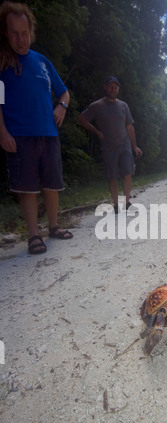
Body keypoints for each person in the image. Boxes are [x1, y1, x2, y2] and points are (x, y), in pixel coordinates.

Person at [0, 1, 73, 255]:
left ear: (31, 30)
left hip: (49, 134)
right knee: (27, 187)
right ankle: (33, 235)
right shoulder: (3, 63)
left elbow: (64, 92)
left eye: (24, 33)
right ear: (6, 33)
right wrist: (2, 131)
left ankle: (53, 226)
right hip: (19, 136)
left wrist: (62, 106)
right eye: (14, 33)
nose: (20, 39)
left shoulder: (42, 61)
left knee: (52, 184)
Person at [78, 76, 142, 213]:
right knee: (112, 176)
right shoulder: (97, 106)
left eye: (116, 86)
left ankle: (126, 202)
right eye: (110, 86)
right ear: (105, 87)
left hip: (124, 144)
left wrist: (134, 146)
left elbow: (129, 126)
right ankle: (116, 204)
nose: (113, 89)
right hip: (108, 146)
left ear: (118, 88)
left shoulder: (124, 105)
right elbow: (82, 119)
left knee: (128, 173)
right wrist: (96, 131)